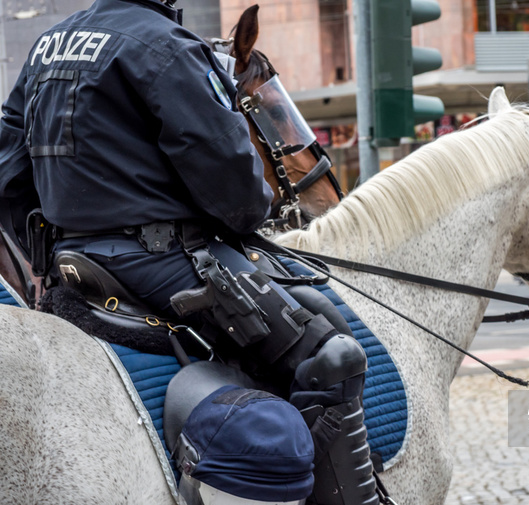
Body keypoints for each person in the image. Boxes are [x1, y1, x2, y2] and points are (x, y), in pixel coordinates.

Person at [0, 1, 378, 503]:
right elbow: (234, 185)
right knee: (331, 353)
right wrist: (250, 212)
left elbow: (8, 175)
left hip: (74, 266)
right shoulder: (164, 45)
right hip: (166, 262)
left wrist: (49, 253)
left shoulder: (47, 45)